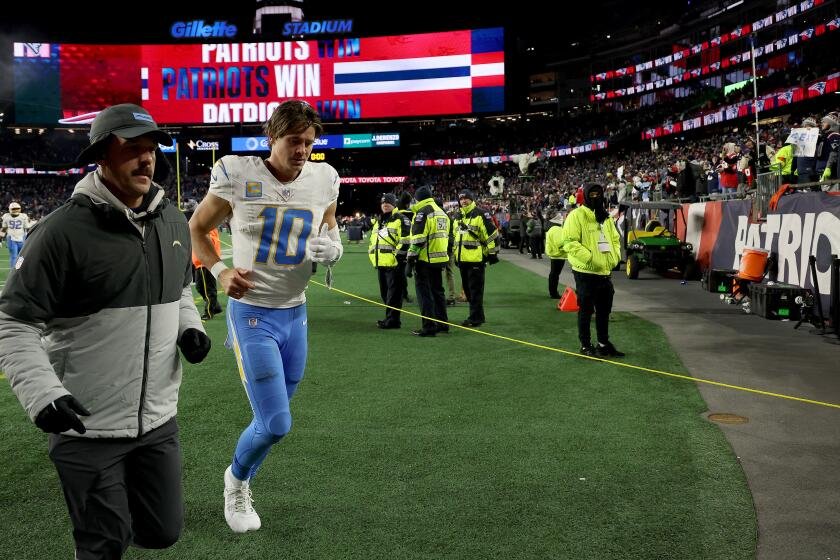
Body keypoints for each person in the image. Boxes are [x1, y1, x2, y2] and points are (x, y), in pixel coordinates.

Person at [0, 103, 211, 559]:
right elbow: (13, 321)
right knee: (104, 543)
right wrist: (42, 394)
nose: (146, 158)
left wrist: (189, 326)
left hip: (157, 420)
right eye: (131, 148)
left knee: (162, 531)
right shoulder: (60, 232)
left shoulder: (173, 221)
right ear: (101, 156)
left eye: (151, 148)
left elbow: (181, 291)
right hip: (86, 426)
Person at [188, 100, 342, 533]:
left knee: (271, 419)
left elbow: (329, 227)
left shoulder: (324, 178)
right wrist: (220, 271)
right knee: (276, 423)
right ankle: (236, 481)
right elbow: (196, 227)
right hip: (253, 313)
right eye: (294, 140)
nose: (302, 150)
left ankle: (242, 475)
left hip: (297, 313)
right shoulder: (238, 174)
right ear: (271, 136)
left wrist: (334, 250)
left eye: (308, 141)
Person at [562, 183, 623, 358]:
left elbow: (615, 239)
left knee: (604, 311)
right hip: (585, 272)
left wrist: (615, 257)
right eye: (592, 194)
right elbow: (570, 243)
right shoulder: (576, 215)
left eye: (598, 194)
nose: (596, 197)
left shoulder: (606, 217)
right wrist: (590, 258)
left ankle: (603, 344)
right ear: (586, 196)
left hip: (604, 272)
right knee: (586, 310)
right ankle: (585, 345)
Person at [405, 186, 450, 337]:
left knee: (424, 294)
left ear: (418, 198)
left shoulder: (423, 212)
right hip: (440, 258)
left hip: (425, 259)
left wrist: (410, 261)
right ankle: (442, 323)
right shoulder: (441, 212)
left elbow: (418, 240)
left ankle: (429, 326)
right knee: (438, 292)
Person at [452, 189, 499, 327]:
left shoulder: (481, 213)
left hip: (476, 260)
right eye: (461, 199)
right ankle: (478, 316)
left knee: (475, 291)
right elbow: (455, 237)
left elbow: (492, 234)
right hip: (462, 260)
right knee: (468, 291)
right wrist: (456, 255)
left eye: (466, 198)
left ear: (471, 199)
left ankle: (475, 318)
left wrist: (492, 253)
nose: (463, 201)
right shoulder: (458, 216)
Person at [368, 193, 410, 329]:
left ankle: (393, 320)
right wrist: (372, 256)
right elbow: (373, 241)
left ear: (394, 204)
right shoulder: (379, 221)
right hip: (381, 263)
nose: (385, 205)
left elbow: (406, 241)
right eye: (383, 203)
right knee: (385, 293)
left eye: (388, 202)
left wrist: (398, 258)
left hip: (394, 264)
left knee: (394, 294)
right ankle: (391, 318)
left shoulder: (401, 219)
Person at [193, 221, 224, 320]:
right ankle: (216, 307)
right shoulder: (204, 228)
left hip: (205, 263)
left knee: (208, 290)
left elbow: (209, 243)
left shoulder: (208, 230)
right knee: (200, 288)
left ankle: (209, 312)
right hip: (199, 264)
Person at [0, 201, 33, 268]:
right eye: (14, 209)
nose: (15, 210)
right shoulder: (23, 216)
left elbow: (4, 229)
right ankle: (14, 271)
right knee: (15, 256)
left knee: (21, 256)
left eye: (17, 209)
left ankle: (18, 270)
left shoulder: (6, 216)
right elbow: (27, 227)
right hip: (13, 238)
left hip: (20, 238)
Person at [545, 211, 567, 299]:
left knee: (554, 274)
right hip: (558, 255)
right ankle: (553, 293)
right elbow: (560, 243)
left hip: (555, 254)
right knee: (555, 275)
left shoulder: (552, 228)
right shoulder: (557, 229)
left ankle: (553, 292)